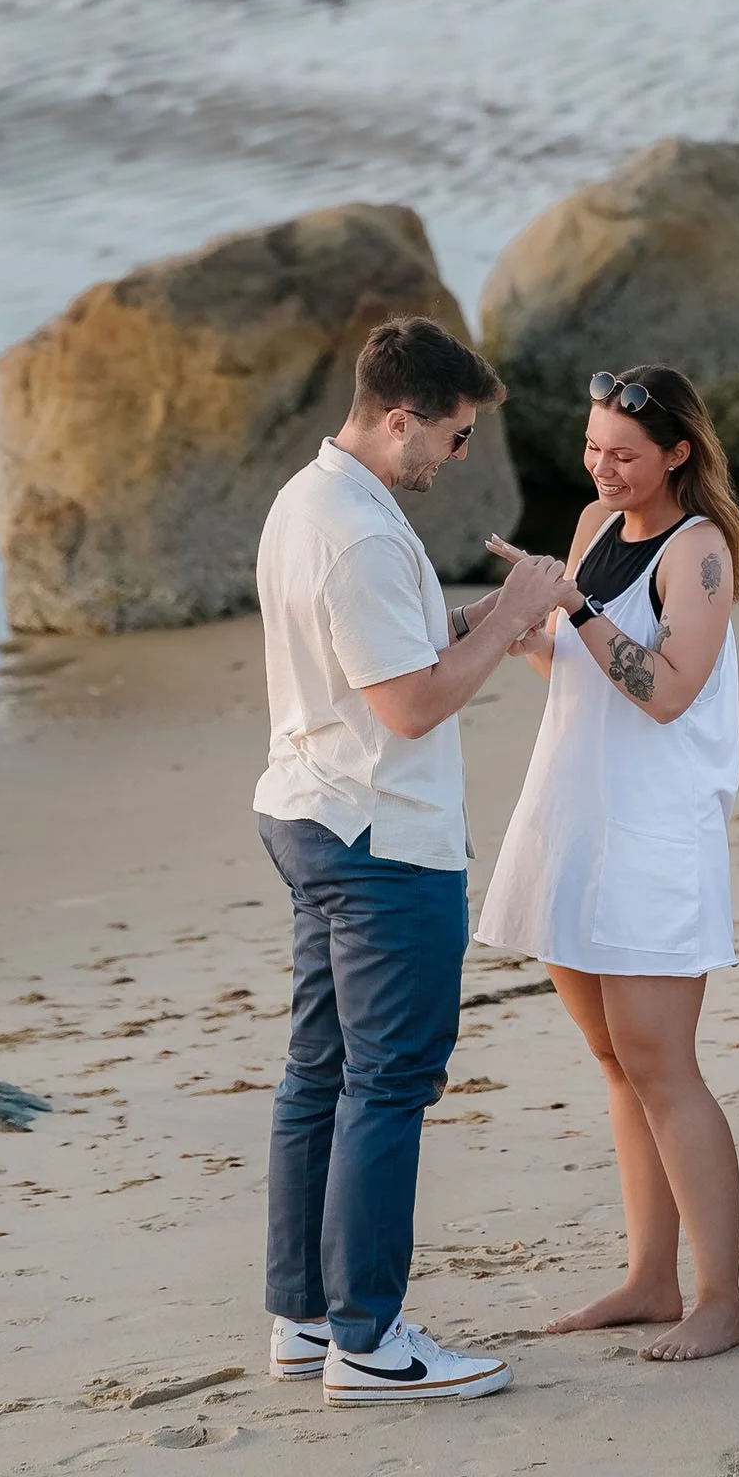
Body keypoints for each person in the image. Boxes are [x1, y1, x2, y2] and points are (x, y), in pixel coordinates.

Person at [253, 314, 566, 1405]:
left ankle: (303, 1320)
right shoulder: (365, 533)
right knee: (387, 1084)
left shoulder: (311, 500)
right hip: (381, 838)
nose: (460, 457)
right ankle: (371, 1343)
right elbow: (409, 702)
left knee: (320, 1074)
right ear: (401, 418)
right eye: (455, 434)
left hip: (312, 813)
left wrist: (490, 615)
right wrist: (518, 611)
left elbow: (384, 649)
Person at [475, 363, 739, 1363]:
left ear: (678, 453)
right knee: (611, 1062)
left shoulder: (700, 551)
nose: (605, 468)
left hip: (652, 833)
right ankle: (648, 1277)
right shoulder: (596, 527)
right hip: (572, 818)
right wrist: (524, 619)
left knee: (661, 1064)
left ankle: (719, 1298)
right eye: (595, 450)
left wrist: (578, 612)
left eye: (626, 455)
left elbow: (669, 688)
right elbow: (575, 667)